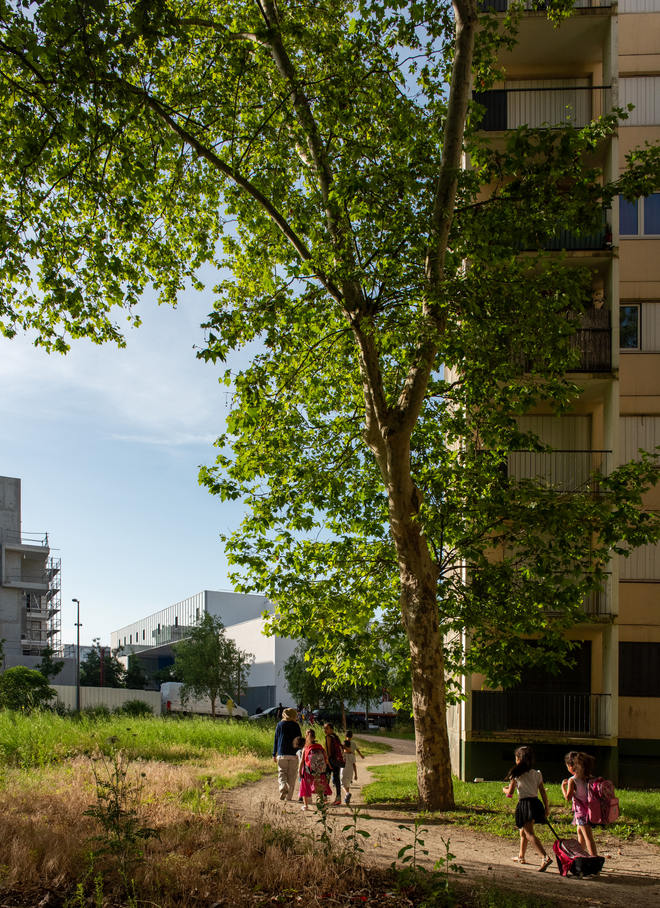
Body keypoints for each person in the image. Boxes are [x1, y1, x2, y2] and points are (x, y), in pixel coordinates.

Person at [502, 745, 551, 871]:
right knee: (523, 831)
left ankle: (545, 857)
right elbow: (543, 793)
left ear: (518, 759)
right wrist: (547, 807)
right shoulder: (537, 774)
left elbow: (510, 793)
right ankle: (521, 856)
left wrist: (504, 789)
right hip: (536, 804)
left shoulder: (516, 774)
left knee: (529, 833)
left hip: (525, 805)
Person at [561, 751, 598, 857]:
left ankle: (594, 860)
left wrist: (562, 787)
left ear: (571, 766)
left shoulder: (573, 780)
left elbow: (568, 797)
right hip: (590, 810)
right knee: (580, 832)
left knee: (588, 837)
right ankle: (581, 855)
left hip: (581, 812)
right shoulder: (589, 777)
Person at [273, 707, 302, 801]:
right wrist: (300, 752)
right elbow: (300, 740)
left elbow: (276, 740)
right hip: (294, 754)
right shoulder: (296, 725)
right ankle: (289, 797)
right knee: (292, 776)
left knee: (282, 772)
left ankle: (282, 786)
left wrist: (274, 754)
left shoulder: (280, 724)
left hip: (282, 753)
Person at [298, 728, 331, 811]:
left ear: (306, 736)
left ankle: (305, 806)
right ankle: (322, 805)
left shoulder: (306, 748)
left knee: (305, 787)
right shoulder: (320, 747)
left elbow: (302, 762)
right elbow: (326, 759)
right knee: (320, 788)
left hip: (307, 771)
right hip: (319, 771)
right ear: (315, 736)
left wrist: (299, 772)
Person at [323, 722, 345, 806]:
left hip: (331, 761)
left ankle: (324, 798)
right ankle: (338, 798)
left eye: (327, 728)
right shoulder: (336, 736)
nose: (325, 730)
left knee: (327, 779)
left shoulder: (328, 737)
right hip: (337, 761)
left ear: (331, 729)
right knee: (336, 779)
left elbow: (328, 751)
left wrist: (327, 761)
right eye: (324, 728)